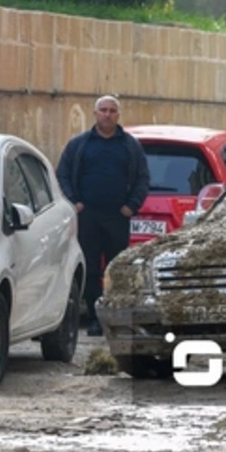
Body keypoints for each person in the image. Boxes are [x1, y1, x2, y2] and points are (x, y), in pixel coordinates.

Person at [57, 95, 150, 336]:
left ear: (118, 115)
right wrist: (74, 202)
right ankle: (96, 318)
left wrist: (132, 205)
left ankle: (115, 317)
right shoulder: (79, 145)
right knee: (89, 267)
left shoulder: (130, 146)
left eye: (112, 111)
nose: (107, 114)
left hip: (117, 217)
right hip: (87, 216)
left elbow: (142, 178)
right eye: (103, 110)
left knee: (115, 268)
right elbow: (63, 174)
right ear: (95, 113)